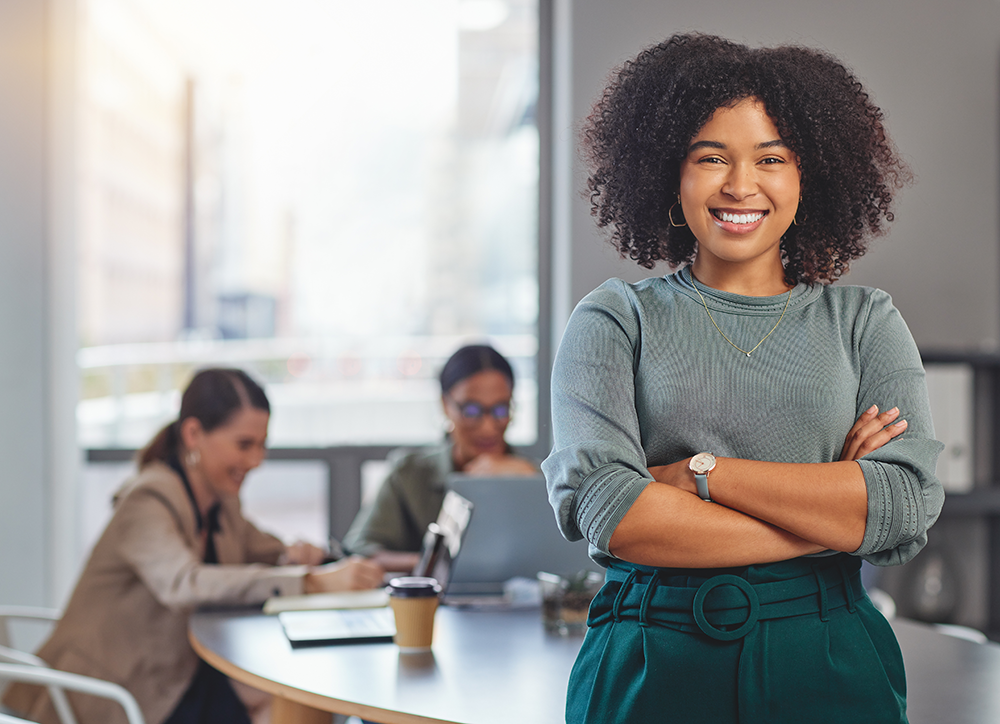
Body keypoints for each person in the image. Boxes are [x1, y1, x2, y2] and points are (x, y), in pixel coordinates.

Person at [541, 34, 944, 723]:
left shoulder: (864, 321)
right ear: (670, 173)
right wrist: (834, 516)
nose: (739, 185)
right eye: (710, 158)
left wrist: (701, 473)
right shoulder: (614, 319)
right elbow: (614, 514)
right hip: (650, 660)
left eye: (770, 159)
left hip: (829, 656)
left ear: (806, 176)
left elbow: (904, 504)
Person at [3, 368, 384, 724]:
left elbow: (259, 546)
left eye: (262, 445)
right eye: (244, 444)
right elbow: (185, 583)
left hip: (177, 671)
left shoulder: (219, 498)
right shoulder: (147, 500)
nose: (256, 460)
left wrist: (298, 556)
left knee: (293, 695)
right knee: (284, 698)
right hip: (118, 690)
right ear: (193, 434)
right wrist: (311, 582)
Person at [343, 344, 536, 572]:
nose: (488, 428)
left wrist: (531, 481)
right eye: (471, 411)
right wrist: (437, 565)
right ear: (445, 405)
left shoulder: (534, 476)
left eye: (501, 410)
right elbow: (359, 551)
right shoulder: (410, 473)